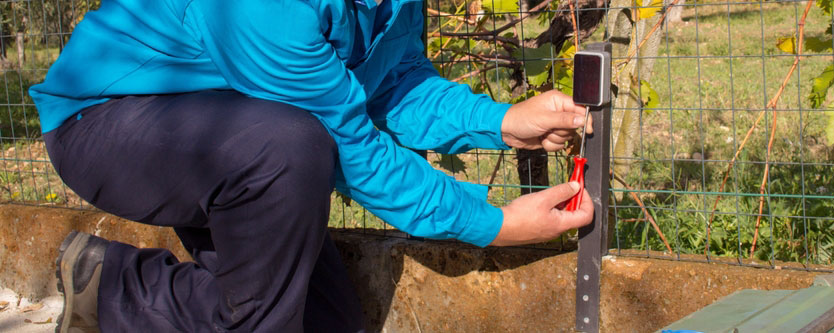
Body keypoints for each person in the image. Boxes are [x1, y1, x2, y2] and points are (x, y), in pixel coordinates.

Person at [30, 0, 595, 331]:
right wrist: (494, 225)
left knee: (326, 322)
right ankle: (128, 291)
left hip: (237, 132)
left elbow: (393, 84)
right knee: (294, 147)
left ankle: (107, 290)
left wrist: (502, 122)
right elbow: (350, 146)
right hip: (107, 119)